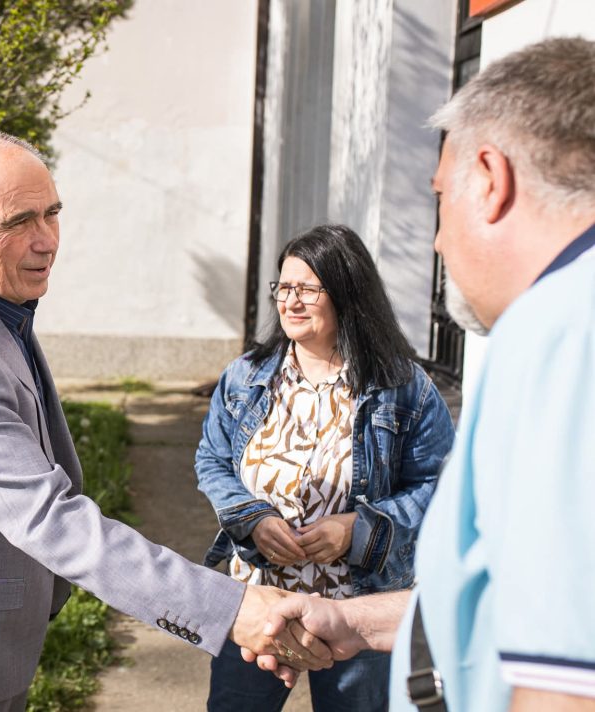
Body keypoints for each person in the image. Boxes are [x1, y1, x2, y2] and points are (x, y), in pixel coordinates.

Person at [0, 134, 332, 712]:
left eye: (52, 213)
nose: (47, 240)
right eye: (19, 222)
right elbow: (49, 518)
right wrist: (231, 609)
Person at [249, 36, 595, 711]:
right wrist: (356, 621)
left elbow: (568, 684)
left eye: (440, 198)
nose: (436, 240)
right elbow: (504, 595)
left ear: (490, 180)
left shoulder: (559, 330)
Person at [194, 224, 454, 711]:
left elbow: (437, 485)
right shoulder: (246, 377)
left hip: (357, 608)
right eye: (284, 287)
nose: (291, 301)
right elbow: (212, 458)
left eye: (308, 289)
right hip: (258, 599)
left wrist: (357, 530)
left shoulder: (403, 387)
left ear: (346, 293)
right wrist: (252, 518)